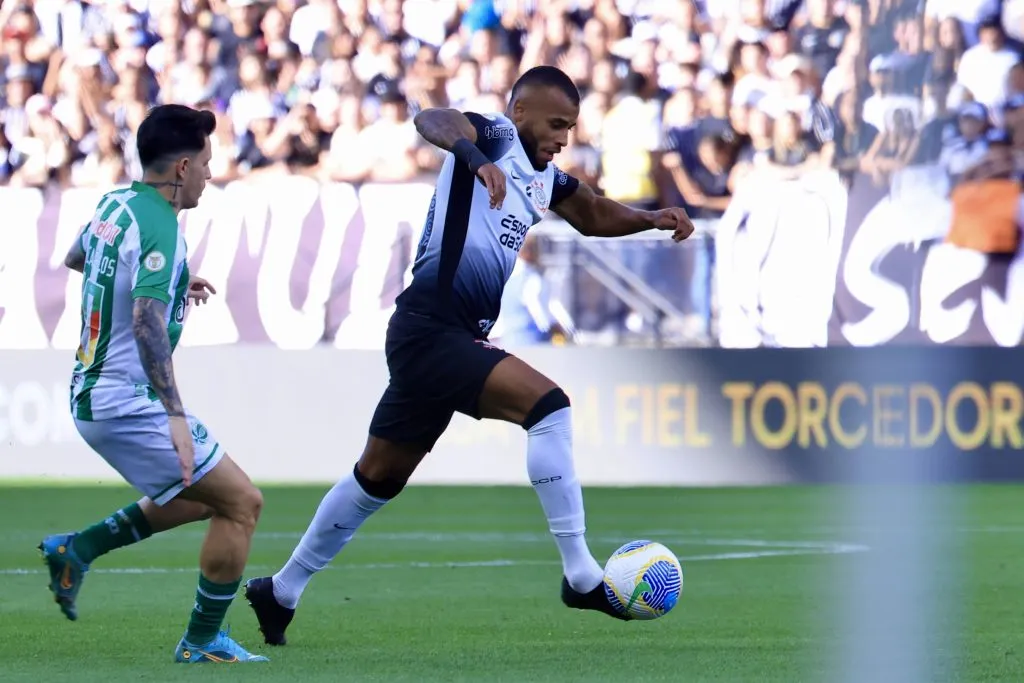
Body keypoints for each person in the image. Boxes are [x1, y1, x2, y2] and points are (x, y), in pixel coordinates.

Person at [243, 66, 694, 645]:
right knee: (549, 408)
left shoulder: (544, 179)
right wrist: (473, 155)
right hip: (431, 330)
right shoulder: (494, 136)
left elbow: (594, 213)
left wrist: (651, 219)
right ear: (520, 111)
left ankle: (280, 592)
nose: (563, 136)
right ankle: (581, 575)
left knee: (377, 477)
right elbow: (430, 118)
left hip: (438, 337)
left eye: (571, 127)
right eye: (555, 123)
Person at [38, 104, 268, 664]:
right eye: (208, 164)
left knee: (198, 499)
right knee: (242, 503)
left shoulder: (115, 203)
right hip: (122, 397)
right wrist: (174, 415)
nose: (211, 175)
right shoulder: (162, 224)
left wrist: (166, 279)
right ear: (183, 167)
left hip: (95, 391)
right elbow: (144, 321)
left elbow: (76, 257)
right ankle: (202, 641)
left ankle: (78, 548)